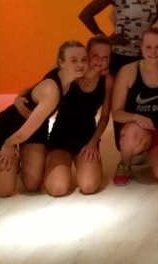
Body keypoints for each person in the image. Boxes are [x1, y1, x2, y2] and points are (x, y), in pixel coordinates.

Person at [0, 41, 87, 197]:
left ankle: (12, 165)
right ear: (61, 62)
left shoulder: (69, 78)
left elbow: (32, 88)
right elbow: (22, 134)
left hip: (36, 129)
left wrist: (19, 97)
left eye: (84, 59)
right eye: (74, 60)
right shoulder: (52, 89)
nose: (80, 64)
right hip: (9, 129)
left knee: (32, 186)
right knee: (3, 191)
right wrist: (8, 144)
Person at [42, 36, 113, 196]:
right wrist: (20, 97)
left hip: (86, 139)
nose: (100, 61)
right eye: (95, 56)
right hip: (61, 139)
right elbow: (40, 90)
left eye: (105, 57)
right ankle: (49, 164)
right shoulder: (71, 74)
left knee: (89, 186)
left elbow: (104, 116)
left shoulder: (107, 81)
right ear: (87, 55)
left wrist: (93, 143)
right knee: (58, 189)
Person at [110, 28, 158, 186]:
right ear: (141, 47)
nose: (153, 52)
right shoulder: (128, 71)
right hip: (137, 129)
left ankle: (152, 154)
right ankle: (125, 163)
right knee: (133, 134)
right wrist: (136, 117)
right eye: (148, 47)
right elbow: (116, 113)